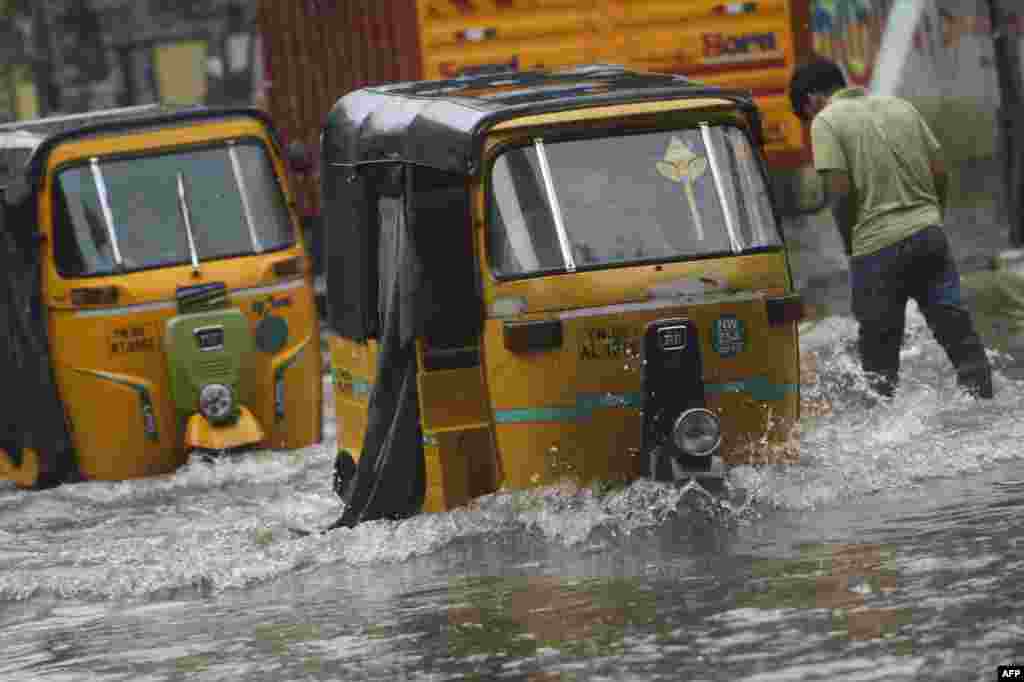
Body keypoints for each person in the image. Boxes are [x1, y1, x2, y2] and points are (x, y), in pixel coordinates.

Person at [788, 57, 993, 399]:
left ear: (811, 100)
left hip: (876, 247)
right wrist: (932, 216)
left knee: (879, 361)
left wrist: (852, 246)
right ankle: (986, 404)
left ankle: (881, 432)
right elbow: (940, 172)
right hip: (930, 236)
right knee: (960, 338)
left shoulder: (825, 121)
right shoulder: (900, 107)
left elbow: (839, 194)